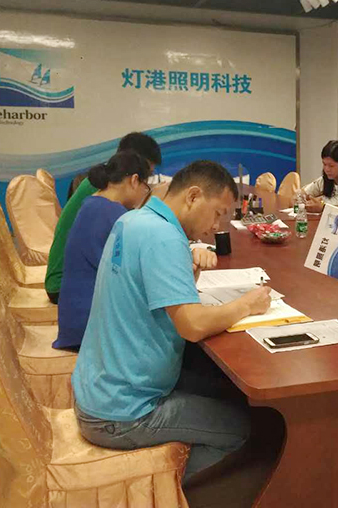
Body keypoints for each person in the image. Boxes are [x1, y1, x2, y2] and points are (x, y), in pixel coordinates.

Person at [71, 160, 271, 483]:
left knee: (225, 391)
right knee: (241, 429)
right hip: (124, 413)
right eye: (217, 213)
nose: (216, 226)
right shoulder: (164, 237)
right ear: (193, 196)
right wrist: (247, 304)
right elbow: (192, 326)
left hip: (98, 389)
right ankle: (157, 488)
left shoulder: (133, 220)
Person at [45, 132, 162, 304]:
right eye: (146, 179)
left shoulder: (100, 194)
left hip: (72, 283)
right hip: (63, 286)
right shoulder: (105, 203)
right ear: (134, 178)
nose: (146, 189)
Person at [52, 151, 152, 351]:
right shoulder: (113, 213)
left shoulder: (93, 203)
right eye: (146, 187)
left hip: (75, 322)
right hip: (90, 329)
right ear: (134, 180)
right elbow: (135, 270)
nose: (144, 194)